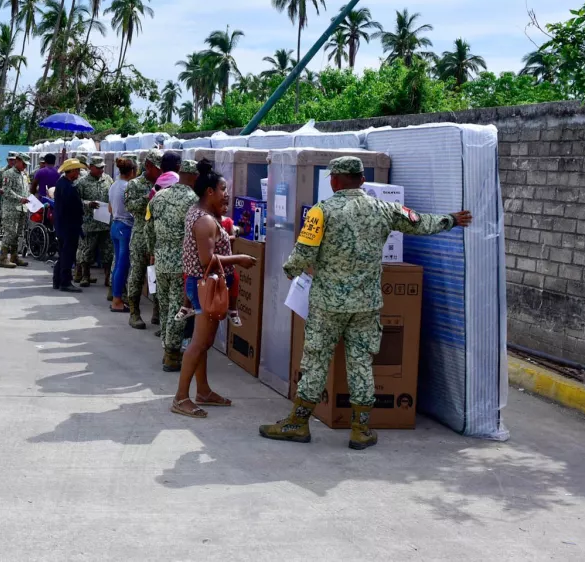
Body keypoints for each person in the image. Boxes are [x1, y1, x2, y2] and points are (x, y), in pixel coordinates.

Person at [260, 156, 473, 449]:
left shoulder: (322, 211)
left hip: (327, 305)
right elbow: (420, 222)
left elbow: (303, 253)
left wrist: (289, 270)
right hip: (366, 304)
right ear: (362, 180)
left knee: (316, 361)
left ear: (334, 181)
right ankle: (360, 430)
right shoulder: (384, 208)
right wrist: (451, 219)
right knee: (361, 363)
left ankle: (298, 423)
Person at [172, 159, 257, 417]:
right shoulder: (205, 220)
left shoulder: (203, 214)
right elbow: (206, 259)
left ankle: (203, 391)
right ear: (209, 191)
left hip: (204, 284)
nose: (227, 194)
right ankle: (180, 398)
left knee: (205, 341)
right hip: (205, 286)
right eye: (223, 189)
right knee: (199, 343)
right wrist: (239, 259)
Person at [147, 155, 198, 372]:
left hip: (161, 259)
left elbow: (148, 228)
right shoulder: (193, 200)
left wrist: (153, 252)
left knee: (165, 305)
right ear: (193, 177)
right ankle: (172, 353)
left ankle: (166, 348)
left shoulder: (158, 196)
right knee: (179, 309)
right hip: (181, 263)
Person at [123, 150, 162, 330]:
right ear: (148, 166)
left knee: (157, 276)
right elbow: (130, 206)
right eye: (157, 168)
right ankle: (134, 313)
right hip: (141, 235)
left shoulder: (165, 183)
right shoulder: (135, 184)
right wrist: (149, 197)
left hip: (159, 237)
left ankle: (157, 312)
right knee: (137, 275)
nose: (160, 172)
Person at [74, 154, 113, 290]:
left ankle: (108, 277)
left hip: (105, 222)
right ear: (90, 167)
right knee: (87, 251)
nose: (101, 170)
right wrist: (88, 203)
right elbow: (76, 201)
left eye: (102, 168)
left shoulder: (108, 180)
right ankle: (85, 275)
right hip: (89, 223)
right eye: (98, 168)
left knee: (108, 252)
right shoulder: (82, 182)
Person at [107, 155, 138, 313]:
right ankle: (117, 301)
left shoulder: (114, 185)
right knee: (123, 265)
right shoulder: (128, 187)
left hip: (115, 225)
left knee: (118, 263)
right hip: (125, 227)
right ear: (132, 171)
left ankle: (115, 296)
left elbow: (110, 209)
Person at [52, 158, 86, 292]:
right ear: (71, 171)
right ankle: (65, 282)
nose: (78, 173)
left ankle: (57, 279)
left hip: (62, 225)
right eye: (77, 170)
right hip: (69, 225)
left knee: (63, 253)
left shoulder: (62, 183)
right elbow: (72, 207)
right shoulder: (68, 187)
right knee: (68, 254)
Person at [0, 153, 31, 269]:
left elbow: (26, 190)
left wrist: (30, 198)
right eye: (24, 164)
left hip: (22, 208)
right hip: (11, 209)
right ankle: (2, 258)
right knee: (10, 233)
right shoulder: (9, 173)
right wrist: (20, 198)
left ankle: (14, 256)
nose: (25, 166)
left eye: (26, 165)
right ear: (17, 161)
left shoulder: (24, 175)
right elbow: (6, 190)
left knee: (17, 234)